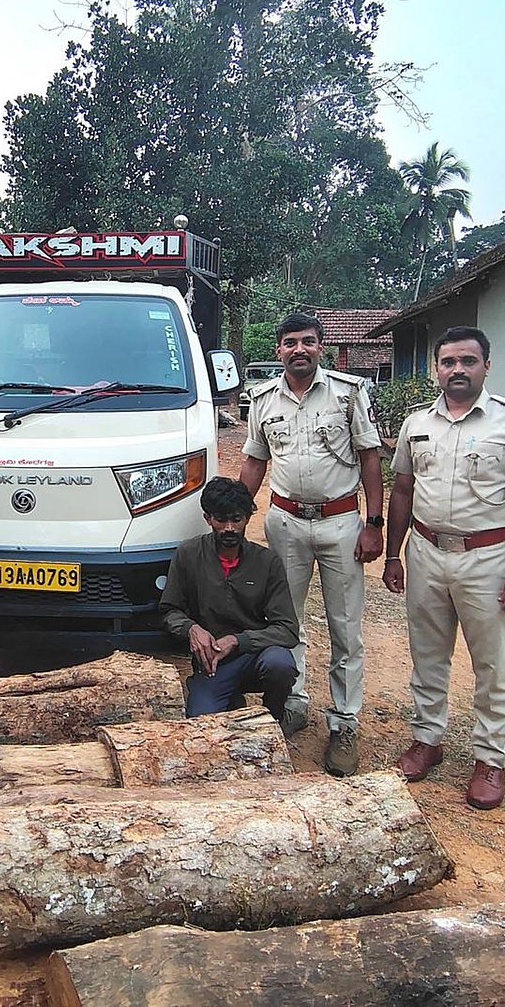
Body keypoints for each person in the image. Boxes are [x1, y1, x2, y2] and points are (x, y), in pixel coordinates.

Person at [383, 325, 505, 811]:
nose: (457, 370)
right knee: (427, 655)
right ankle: (426, 739)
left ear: (486, 366)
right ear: (436, 368)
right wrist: (393, 554)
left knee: (491, 664)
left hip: (487, 559)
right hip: (426, 553)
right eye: (448, 362)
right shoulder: (417, 423)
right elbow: (402, 492)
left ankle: (490, 759)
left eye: (468, 361)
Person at [239, 311, 384, 777]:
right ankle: (293, 703)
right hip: (285, 522)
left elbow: (370, 458)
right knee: (287, 620)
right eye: (290, 343)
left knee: (346, 627)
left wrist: (374, 524)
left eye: (307, 341)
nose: (298, 349)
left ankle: (344, 723)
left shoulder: (348, 393)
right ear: (278, 350)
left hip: (340, 522)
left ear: (321, 346)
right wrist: (235, 519)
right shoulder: (263, 399)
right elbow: (255, 461)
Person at [160, 477, 300, 725]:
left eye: (236, 519)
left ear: (248, 518)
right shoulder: (189, 554)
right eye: (221, 519)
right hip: (212, 664)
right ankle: (231, 700)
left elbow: (288, 630)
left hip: (256, 655)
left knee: (280, 664)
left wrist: (238, 641)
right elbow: (169, 610)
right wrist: (191, 629)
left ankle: (274, 720)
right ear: (208, 518)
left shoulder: (267, 562)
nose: (229, 528)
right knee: (202, 725)